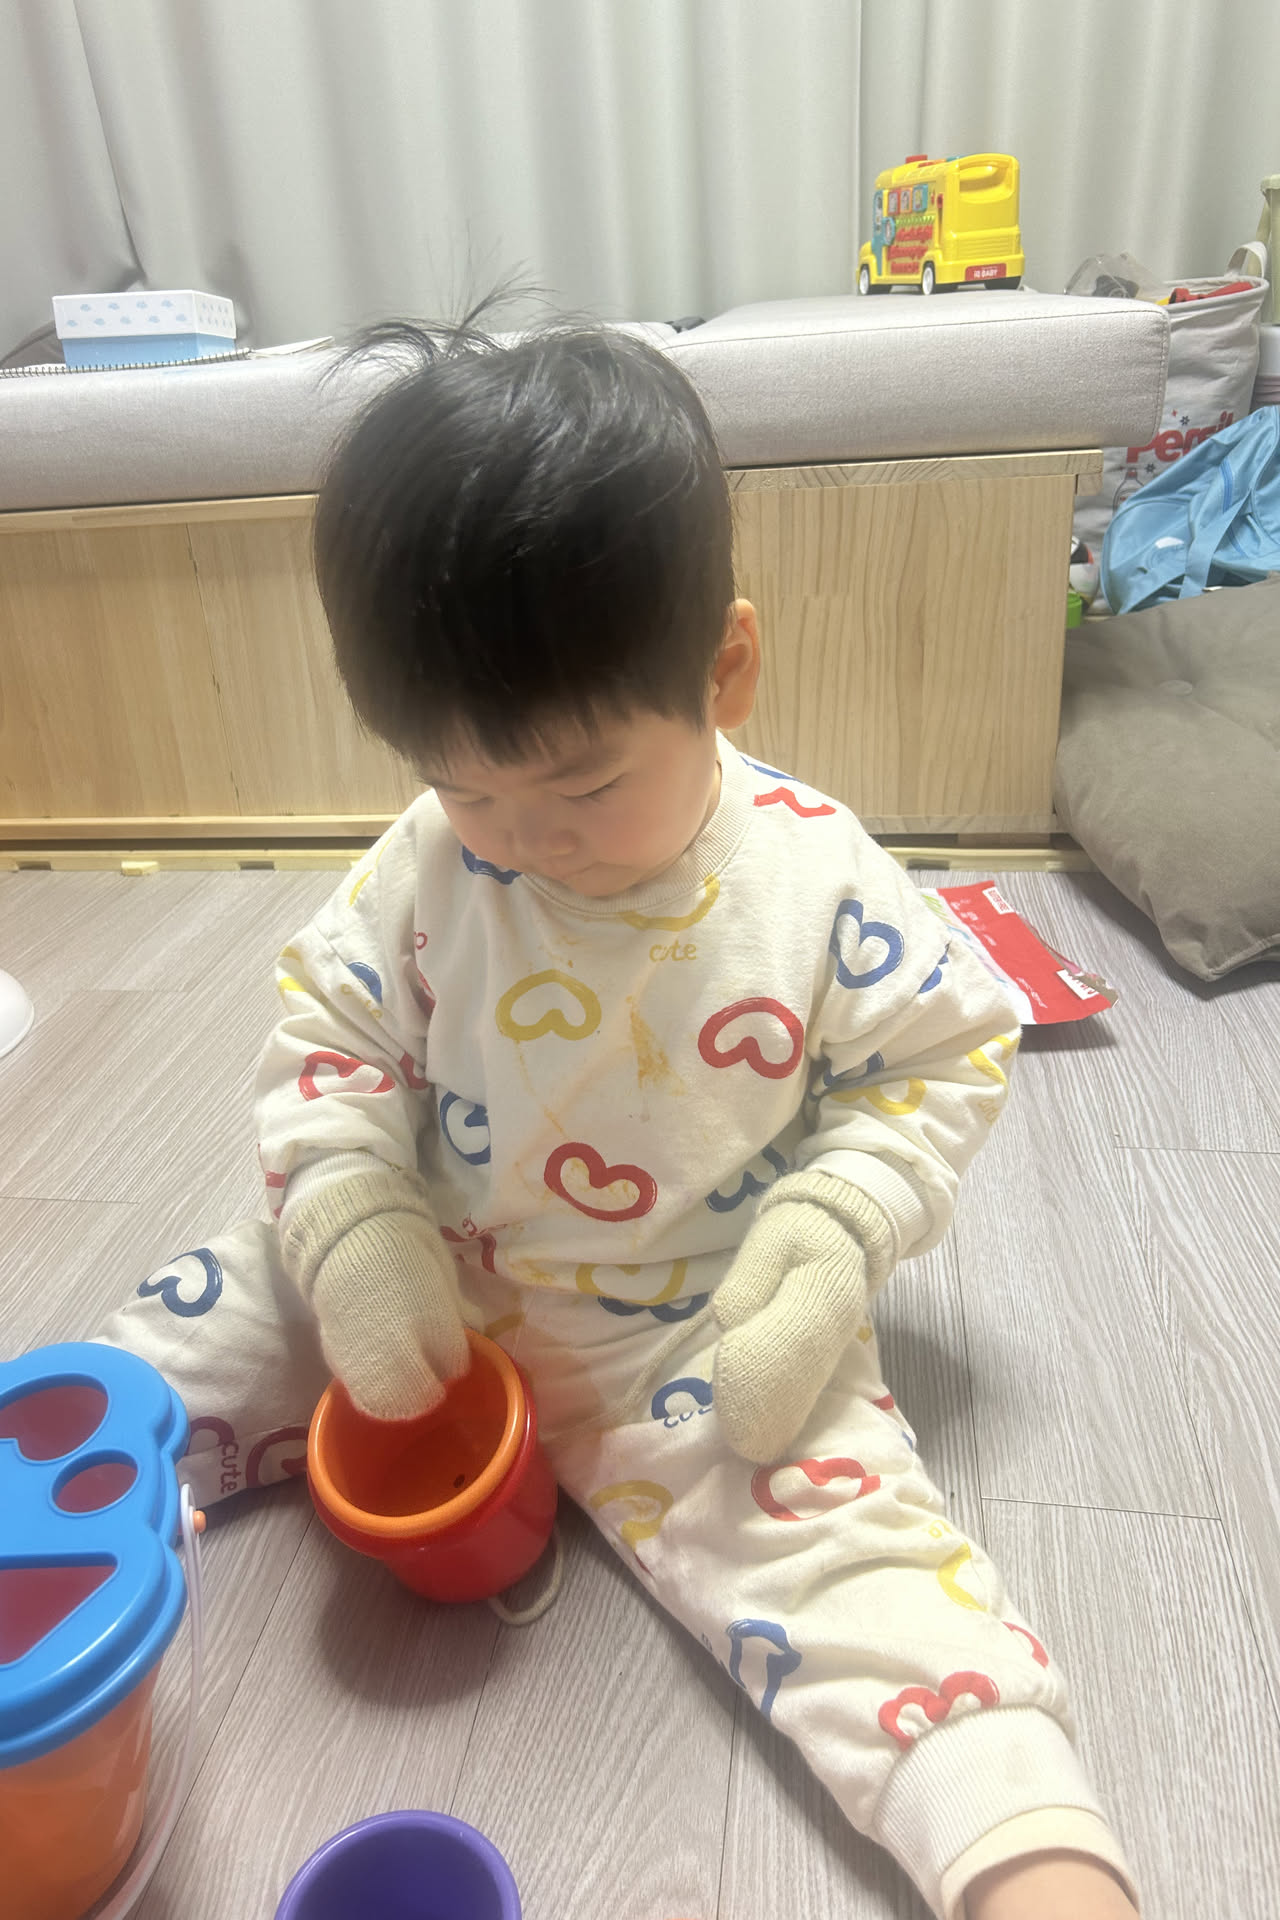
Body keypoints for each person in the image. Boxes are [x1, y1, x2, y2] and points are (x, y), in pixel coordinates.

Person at [96, 306, 1138, 1920]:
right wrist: (356, 1220)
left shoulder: (815, 879)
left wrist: (835, 1227)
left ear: (725, 669)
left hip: (696, 1328)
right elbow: (330, 1041)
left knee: (879, 1594)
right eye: (467, 785)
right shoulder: (429, 867)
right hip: (432, 1260)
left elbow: (941, 1058)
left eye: (582, 786)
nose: (524, 839)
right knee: (146, 1373)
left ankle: (1038, 1872)